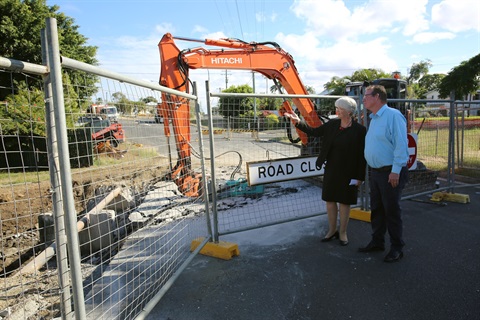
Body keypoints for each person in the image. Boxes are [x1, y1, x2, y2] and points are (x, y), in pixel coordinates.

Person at [285, 97, 366, 246]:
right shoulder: (332, 124)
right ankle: (331, 230)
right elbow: (314, 132)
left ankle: (343, 233)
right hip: (332, 169)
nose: (337, 111)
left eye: (339, 108)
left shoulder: (359, 131)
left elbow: (362, 155)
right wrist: (297, 121)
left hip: (349, 171)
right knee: (330, 200)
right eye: (336, 108)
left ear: (348, 112)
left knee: (344, 202)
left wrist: (360, 176)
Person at [358, 85, 409, 263]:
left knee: (391, 211)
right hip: (377, 173)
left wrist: (395, 171)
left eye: (367, 95)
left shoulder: (393, 116)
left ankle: (397, 248)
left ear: (377, 97)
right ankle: (377, 242)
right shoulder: (374, 118)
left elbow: (401, 145)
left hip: (390, 173)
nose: (363, 99)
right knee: (377, 209)